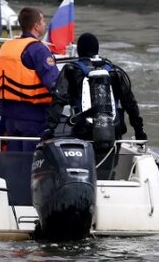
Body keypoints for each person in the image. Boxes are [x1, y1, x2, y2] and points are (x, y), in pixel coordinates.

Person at [45, 33, 146, 171]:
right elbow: (130, 104)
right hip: (113, 131)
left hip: (83, 130)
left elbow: (58, 100)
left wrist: (50, 129)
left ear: (79, 51)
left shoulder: (71, 70)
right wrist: (139, 132)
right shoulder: (114, 71)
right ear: (97, 50)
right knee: (107, 169)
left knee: (84, 169)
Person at [0, 7, 60, 151]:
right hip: (33, 116)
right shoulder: (38, 49)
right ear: (36, 26)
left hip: (8, 116)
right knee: (31, 159)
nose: (45, 24)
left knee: (14, 157)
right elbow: (54, 83)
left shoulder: (7, 47)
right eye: (43, 21)